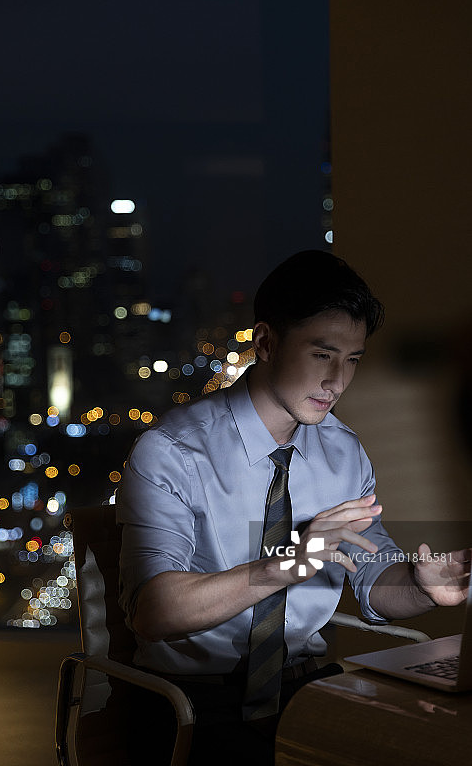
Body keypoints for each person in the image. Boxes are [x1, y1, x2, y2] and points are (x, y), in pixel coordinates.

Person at [117, 250, 469, 765]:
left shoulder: (344, 452)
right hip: (190, 701)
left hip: (305, 690)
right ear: (265, 342)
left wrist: (418, 586)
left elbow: (372, 573)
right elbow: (153, 611)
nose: (338, 382)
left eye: (352, 360)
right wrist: (292, 563)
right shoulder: (173, 451)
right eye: (322, 355)